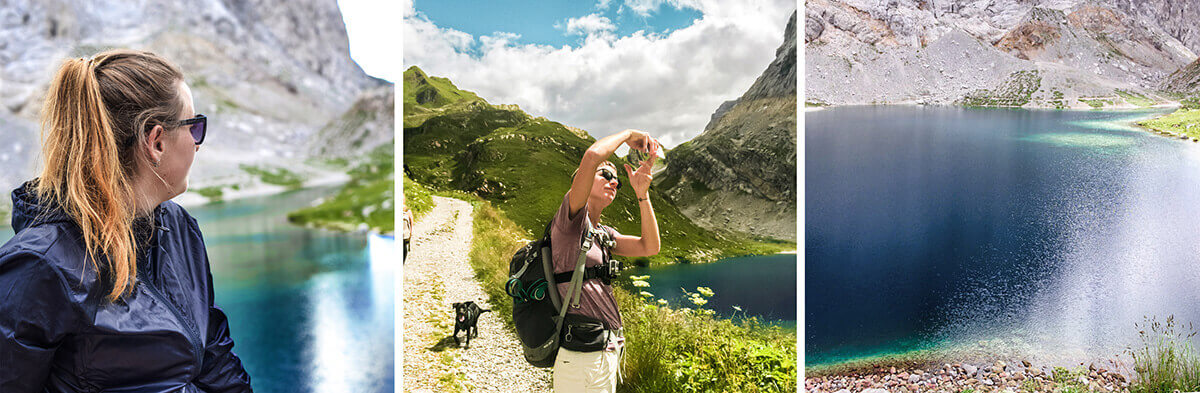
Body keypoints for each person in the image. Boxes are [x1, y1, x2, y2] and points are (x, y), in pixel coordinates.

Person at [0, 50, 252, 392]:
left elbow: (214, 357)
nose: (197, 144)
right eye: (194, 126)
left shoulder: (180, 228)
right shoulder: (39, 264)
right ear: (156, 141)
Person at [551, 129, 661, 392]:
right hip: (582, 357)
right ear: (582, 182)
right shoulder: (571, 220)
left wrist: (642, 194)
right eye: (607, 175)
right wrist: (628, 136)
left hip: (604, 352)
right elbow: (591, 157)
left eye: (617, 181)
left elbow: (650, 246)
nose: (614, 182)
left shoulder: (603, 233)